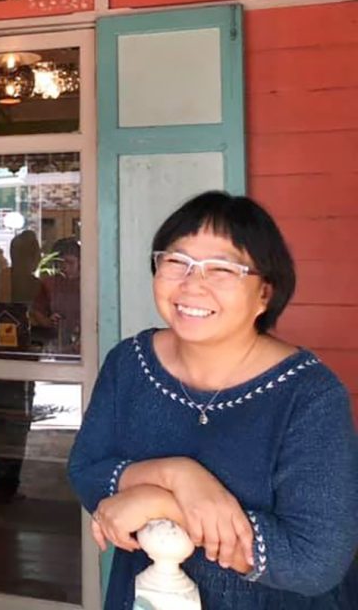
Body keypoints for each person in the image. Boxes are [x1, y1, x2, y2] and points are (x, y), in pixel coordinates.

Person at [68, 191, 358, 608]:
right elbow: (85, 470)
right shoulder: (130, 363)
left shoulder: (308, 395)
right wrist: (175, 475)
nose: (192, 283)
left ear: (265, 293)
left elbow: (314, 560)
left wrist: (165, 505)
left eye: (222, 268)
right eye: (176, 261)